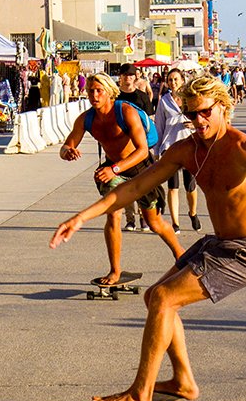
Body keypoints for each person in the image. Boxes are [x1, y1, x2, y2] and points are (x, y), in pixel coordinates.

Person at [51, 75, 246, 401]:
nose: (198, 121)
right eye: (191, 115)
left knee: (165, 299)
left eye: (205, 113)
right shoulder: (187, 150)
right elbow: (134, 188)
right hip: (219, 244)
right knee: (155, 296)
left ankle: (141, 394)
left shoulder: (245, 148)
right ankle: (183, 380)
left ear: (224, 108)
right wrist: (81, 217)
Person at [58, 73, 183, 285]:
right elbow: (67, 145)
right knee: (113, 214)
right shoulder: (87, 119)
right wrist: (67, 152)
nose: (94, 96)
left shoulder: (126, 112)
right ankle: (115, 271)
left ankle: (182, 257)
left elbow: (143, 151)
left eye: (99, 91)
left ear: (109, 92)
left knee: (154, 222)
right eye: (90, 91)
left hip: (140, 169)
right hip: (113, 170)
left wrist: (115, 168)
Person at [154, 68, 202, 234]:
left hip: (190, 146)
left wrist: (194, 125)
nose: (172, 83)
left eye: (175, 79)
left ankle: (193, 212)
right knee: (172, 187)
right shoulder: (164, 101)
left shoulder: (191, 98)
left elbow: (202, 119)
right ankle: (175, 223)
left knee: (190, 187)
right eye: (170, 80)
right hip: (170, 147)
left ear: (182, 80)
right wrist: (157, 150)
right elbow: (159, 126)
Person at [118, 64, 154, 232]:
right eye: (125, 75)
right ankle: (130, 219)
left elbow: (150, 120)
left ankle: (143, 217)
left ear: (135, 77)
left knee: (141, 182)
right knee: (124, 184)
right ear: (121, 77)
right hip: (120, 147)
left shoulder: (142, 97)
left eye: (131, 75)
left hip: (141, 146)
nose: (128, 78)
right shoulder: (115, 97)